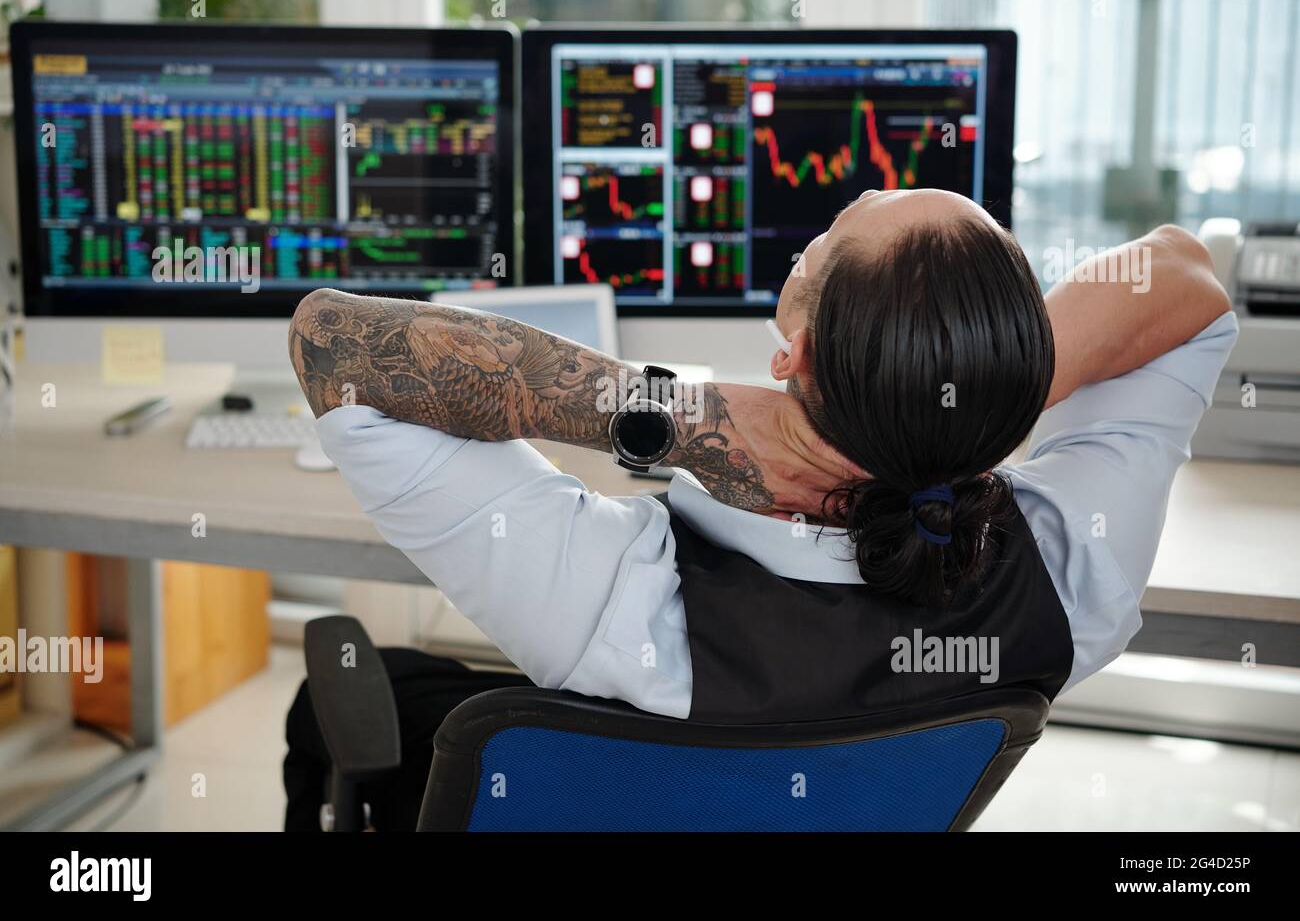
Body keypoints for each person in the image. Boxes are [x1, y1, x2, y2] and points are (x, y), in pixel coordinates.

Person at [282, 188, 1236, 829]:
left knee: (347, 699)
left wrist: (679, 418)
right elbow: (1188, 276)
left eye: (832, 233)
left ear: (793, 357)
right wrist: (958, 388)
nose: (860, 195)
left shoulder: (619, 597)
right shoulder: (1074, 581)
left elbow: (336, 346)